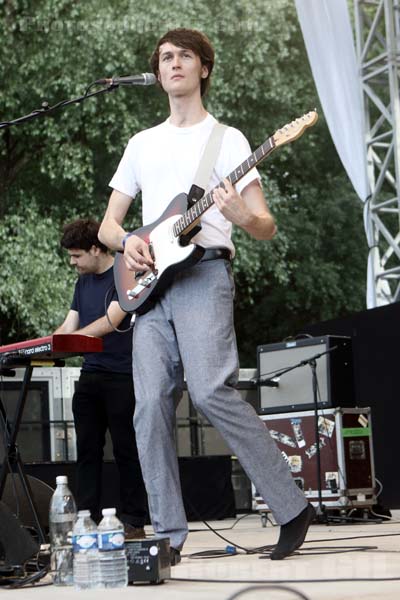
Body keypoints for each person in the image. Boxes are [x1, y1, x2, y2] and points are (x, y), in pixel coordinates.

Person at [99, 28, 315, 562]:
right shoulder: (141, 143)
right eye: (165, 57)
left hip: (205, 275)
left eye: (184, 56)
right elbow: (107, 225)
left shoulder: (229, 140)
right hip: (150, 291)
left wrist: (242, 215)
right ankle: (169, 537)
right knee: (147, 406)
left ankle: (291, 506)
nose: (173, 64)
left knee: (211, 392)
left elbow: (264, 225)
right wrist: (129, 244)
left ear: (204, 69)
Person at [55, 218, 147, 538]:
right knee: (87, 453)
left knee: (126, 451)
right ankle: (86, 520)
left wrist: (72, 341)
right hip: (90, 376)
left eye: (77, 255)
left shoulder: (124, 272)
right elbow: (68, 327)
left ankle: (134, 520)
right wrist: (43, 346)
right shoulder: (81, 284)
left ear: (96, 249)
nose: (72, 262)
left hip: (123, 377)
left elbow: (111, 320)